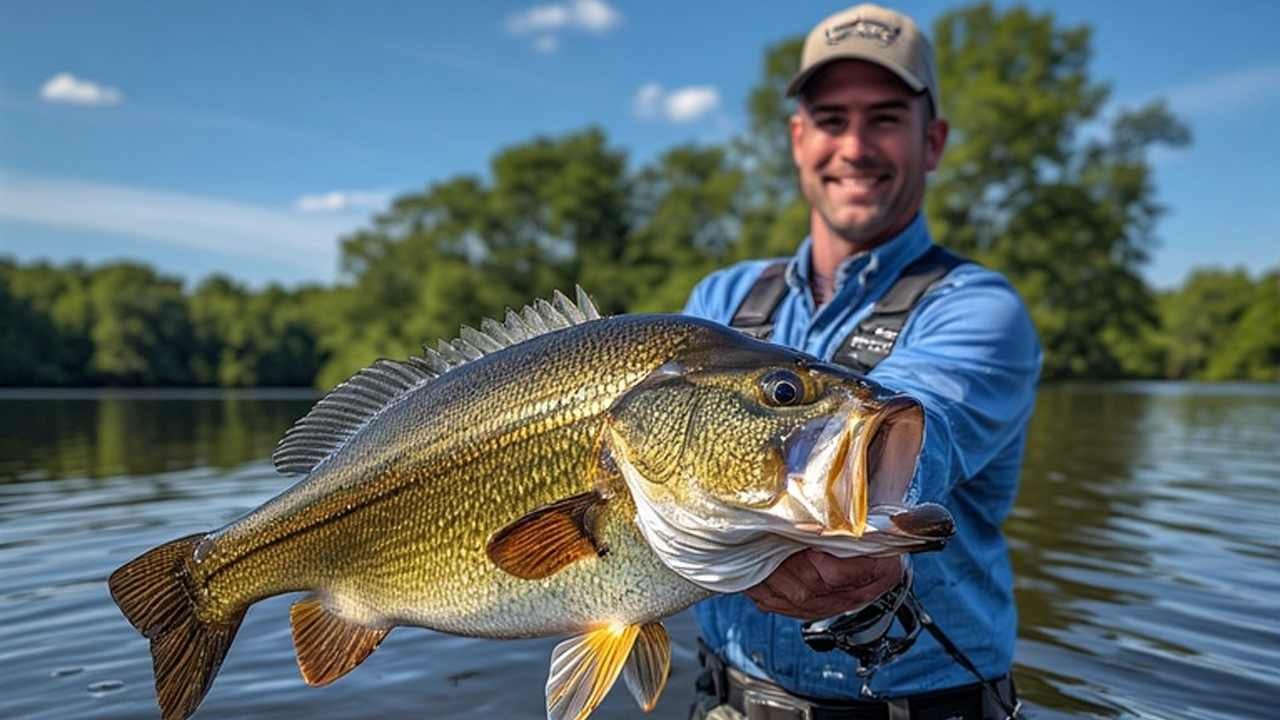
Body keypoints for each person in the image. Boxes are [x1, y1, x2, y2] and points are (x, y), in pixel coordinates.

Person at [682, 4, 1041, 719]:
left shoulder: (979, 308)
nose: (853, 146)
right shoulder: (718, 297)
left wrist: (852, 528)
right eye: (831, 119)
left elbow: (920, 423)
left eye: (883, 117)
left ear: (931, 141)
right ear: (797, 138)